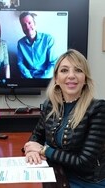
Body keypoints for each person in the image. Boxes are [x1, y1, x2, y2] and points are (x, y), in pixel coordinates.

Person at [23, 49, 105, 187]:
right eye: (64, 70)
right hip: (58, 173)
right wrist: (31, 150)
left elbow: (83, 162)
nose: (71, 76)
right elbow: (36, 136)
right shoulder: (50, 105)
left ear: (85, 78)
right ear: (56, 78)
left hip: (87, 181)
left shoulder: (98, 109)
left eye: (78, 70)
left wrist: (44, 150)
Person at [17, 12, 58, 78]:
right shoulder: (20, 43)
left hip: (45, 78)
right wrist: (30, 78)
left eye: (29, 23)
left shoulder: (48, 39)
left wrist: (41, 81)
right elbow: (20, 63)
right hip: (28, 78)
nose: (27, 27)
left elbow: (53, 63)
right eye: (24, 25)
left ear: (34, 23)